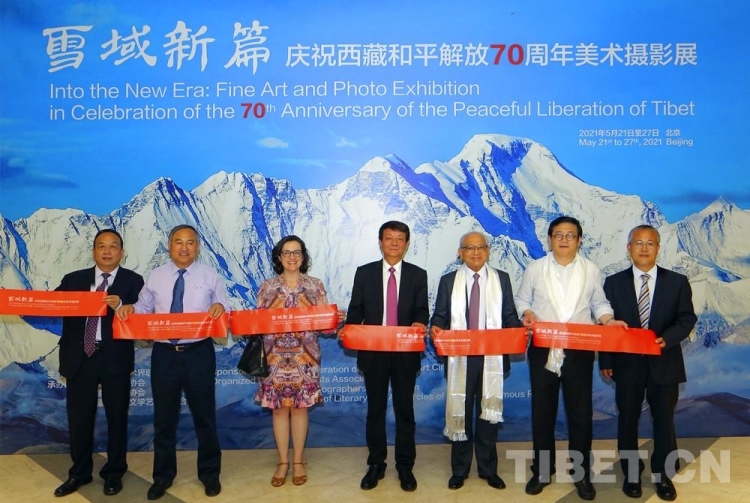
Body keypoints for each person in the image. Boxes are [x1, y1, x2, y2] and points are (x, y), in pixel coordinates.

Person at [515, 216, 626, 501]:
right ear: (549, 239)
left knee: (580, 415)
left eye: (570, 235)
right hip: (543, 349)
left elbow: (599, 303)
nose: (564, 239)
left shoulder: (591, 269)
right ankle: (542, 471)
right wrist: (526, 313)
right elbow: (522, 299)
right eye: (558, 234)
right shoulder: (535, 268)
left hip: (579, 350)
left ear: (579, 240)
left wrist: (608, 320)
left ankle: (582, 474)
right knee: (543, 413)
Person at [117, 224, 228, 500]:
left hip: (199, 353)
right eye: (178, 242)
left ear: (197, 247)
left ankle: (210, 474)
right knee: (164, 420)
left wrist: (219, 308)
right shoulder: (156, 276)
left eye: (190, 242)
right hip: (164, 354)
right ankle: (163, 476)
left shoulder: (210, 275)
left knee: (205, 417)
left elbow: (224, 307)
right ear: (169, 246)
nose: (184, 247)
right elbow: (143, 308)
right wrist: (130, 308)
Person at [599, 225, 697, 501]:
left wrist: (668, 339)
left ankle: (662, 475)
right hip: (626, 364)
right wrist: (606, 359)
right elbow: (605, 324)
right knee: (627, 420)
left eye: (650, 243)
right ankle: (631, 474)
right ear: (628, 248)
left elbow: (687, 318)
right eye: (638, 242)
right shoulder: (613, 283)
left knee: (664, 420)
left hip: (664, 362)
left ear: (658, 248)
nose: (644, 248)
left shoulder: (677, 281)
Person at [53, 229, 144, 498]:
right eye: (101, 246)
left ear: (122, 252)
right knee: (79, 419)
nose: (107, 251)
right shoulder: (73, 279)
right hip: (80, 357)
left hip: (115, 357)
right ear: (93, 251)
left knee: (117, 417)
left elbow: (145, 316)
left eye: (113, 246)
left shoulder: (133, 281)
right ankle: (79, 473)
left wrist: (123, 305)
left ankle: (114, 473)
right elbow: (51, 304)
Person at [430, 231, 522, 490]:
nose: (476, 252)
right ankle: (459, 470)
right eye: (469, 248)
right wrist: (436, 327)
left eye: (481, 247)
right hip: (460, 359)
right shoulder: (449, 281)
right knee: (460, 410)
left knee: (487, 416)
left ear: (488, 251)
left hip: (492, 358)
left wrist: (516, 330)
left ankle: (488, 469)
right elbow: (440, 315)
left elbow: (509, 315)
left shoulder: (501, 279)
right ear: (460, 253)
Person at [344, 221, 429, 492]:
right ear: (380, 242)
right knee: (375, 411)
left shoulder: (418, 274)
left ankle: (405, 466)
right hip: (374, 353)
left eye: (400, 238)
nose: (394, 243)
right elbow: (356, 309)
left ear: (407, 243)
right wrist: (350, 328)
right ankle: (376, 464)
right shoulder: (365, 273)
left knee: (405, 411)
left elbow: (422, 309)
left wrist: (419, 322)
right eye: (389, 238)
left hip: (405, 353)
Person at [254, 235, 346, 487]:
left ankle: (298, 461)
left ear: (303, 257)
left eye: (297, 252)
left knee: (300, 408)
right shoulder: (267, 287)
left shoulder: (315, 286)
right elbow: (257, 324)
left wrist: (335, 319)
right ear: (279, 257)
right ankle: (283, 462)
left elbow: (326, 329)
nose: (292, 257)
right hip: (274, 358)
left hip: (305, 359)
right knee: (279, 409)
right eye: (287, 252)